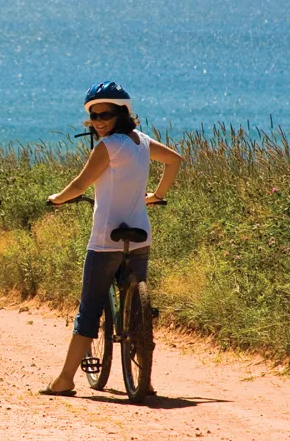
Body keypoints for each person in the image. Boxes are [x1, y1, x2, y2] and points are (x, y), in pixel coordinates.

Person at [41, 81, 183, 397]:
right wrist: (157, 195)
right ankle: (144, 379)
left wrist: (57, 199)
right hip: (140, 236)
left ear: (121, 113)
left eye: (105, 114)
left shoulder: (107, 146)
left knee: (89, 310)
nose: (99, 120)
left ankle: (64, 380)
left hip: (106, 240)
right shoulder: (142, 141)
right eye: (94, 115)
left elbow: (80, 185)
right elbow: (175, 160)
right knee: (136, 315)